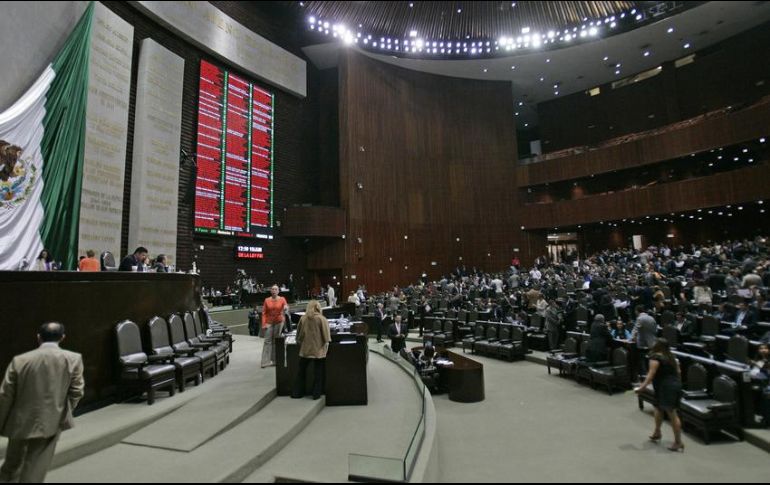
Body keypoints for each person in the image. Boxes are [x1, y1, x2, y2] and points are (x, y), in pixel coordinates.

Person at [0, 322, 84, 482]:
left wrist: (2, 420)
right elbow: (77, 391)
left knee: (11, 464)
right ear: (63, 337)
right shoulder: (73, 359)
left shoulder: (19, 360)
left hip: (19, 420)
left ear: (38, 337)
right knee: (35, 467)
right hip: (51, 421)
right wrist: (63, 412)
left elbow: (5, 395)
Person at [635, 338, 684, 452]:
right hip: (673, 385)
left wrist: (641, 388)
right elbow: (679, 373)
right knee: (657, 408)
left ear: (658, 346)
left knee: (672, 413)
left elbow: (651, 375)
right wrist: (677, 385)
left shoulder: (655, 357)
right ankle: (657, 432)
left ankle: (678, 442)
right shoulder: (672, 357)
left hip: (666, 387)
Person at [291, 300, 331, 400]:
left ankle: (297, 393)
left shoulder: (303, 318)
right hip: (318, 350)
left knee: (301, 371)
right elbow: (326, 337)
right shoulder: (322, 319)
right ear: (318, 307)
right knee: (318, 372)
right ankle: (316, 394)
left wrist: (299, 341)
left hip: (305, 349)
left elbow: (299, 335)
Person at [260, 285, 288, 368]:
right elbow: (264, 313)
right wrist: (264, 324)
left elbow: (286, 306)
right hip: (269, 323)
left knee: (276, 341)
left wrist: (286, 308)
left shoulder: (282, 299)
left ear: (278, 291)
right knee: (267, 341)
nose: (274, 290)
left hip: (279, 322)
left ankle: (275, 361)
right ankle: (265, 362)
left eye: (276, 289)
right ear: (270, 291)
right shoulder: (267, 300)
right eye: (272, 289)